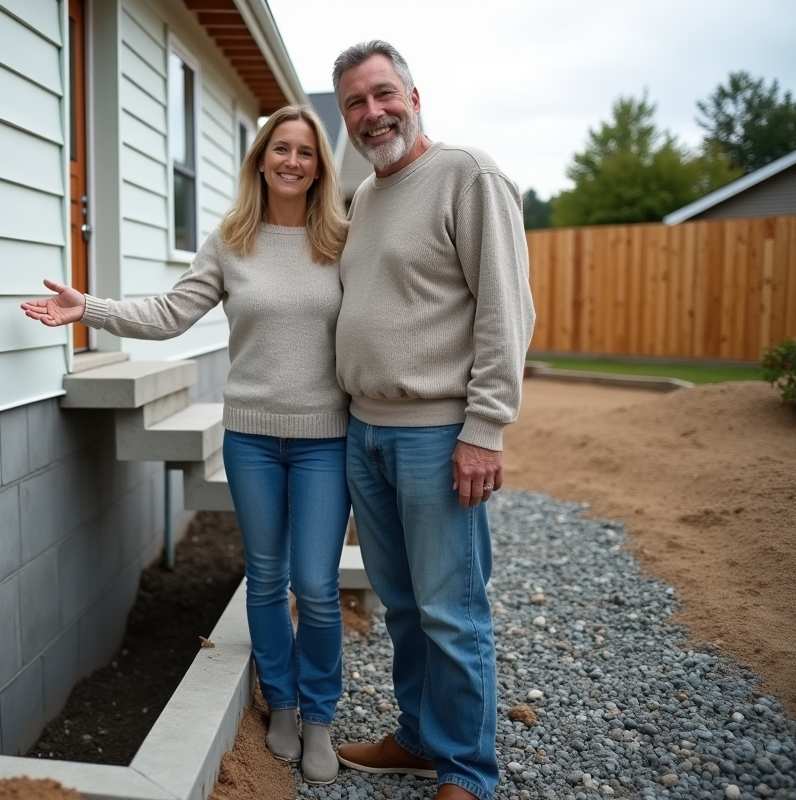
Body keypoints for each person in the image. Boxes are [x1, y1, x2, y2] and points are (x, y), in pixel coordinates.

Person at [22, 106, 351, 785]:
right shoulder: (231, 240)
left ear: (321, 166)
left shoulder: (345, 240)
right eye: (280, 148)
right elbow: (172, 314)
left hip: (327, 441)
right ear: (260, 159)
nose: (292, 160)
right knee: (265, 578)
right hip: (253, 438)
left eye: (306, 152)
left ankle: (320, 714)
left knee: (316, 586)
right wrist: (92, 308)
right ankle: (282, 705)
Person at [328, 41, 536, 800]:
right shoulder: (367, 197)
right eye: (356, 101)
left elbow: (507, 313)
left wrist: (485, 428)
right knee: (406, 606)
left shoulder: (466, 176)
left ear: (415, 98)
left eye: (384, 94)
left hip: (436, 434)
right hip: (366, 433)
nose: (372, 111)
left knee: (452, 612)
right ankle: (419, 738)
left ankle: (468, 773)